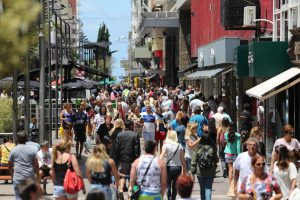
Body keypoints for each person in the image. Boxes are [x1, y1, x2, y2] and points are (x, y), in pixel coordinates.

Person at [8, 131, 40, 199]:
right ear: (26, 139)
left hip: (18, 177)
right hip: (29, 177)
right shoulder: (32, 149)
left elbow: (10, 165)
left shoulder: (13, 150)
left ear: (17, 139)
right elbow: (36, 165)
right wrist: (37, 176)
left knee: (18, 197)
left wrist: (12, 176)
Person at [113, 120, 141, 198]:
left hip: (122, 160)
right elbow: (137, 150)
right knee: (133, 180)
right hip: (132, 160)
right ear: (131, 126)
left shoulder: (119, 135)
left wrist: (117, 160)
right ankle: (130, 196)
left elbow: (117, 148)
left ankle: (121, 189)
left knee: (122, 176)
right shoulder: (135, 135)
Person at [160, 130, 186, 200]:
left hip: (169, 167)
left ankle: (169, 198)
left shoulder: (166, 146)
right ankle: (173, 198)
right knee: (175, 186)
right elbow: (183, 161)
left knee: (168, 185)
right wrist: (185, 172)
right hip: (178, 167)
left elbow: (161, 157)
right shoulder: (179, 146)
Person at [191, 134, 218, 200]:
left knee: (202, 188)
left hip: (200, 172)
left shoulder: (198, 148)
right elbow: (216, 160)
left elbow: (193, 161)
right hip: (210, 171)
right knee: (208, 188)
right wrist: (214, 168)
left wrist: (193, 171)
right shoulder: (212, 149)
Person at [224, 124, 241, 197]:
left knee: (230, 169)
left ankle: (230, 184)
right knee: (235, 170)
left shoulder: (226, 135)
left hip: (228, 153)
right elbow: (238, 146)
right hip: (235, 154)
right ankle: (235, 184)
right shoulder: (238, 136)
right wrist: (239, 155)